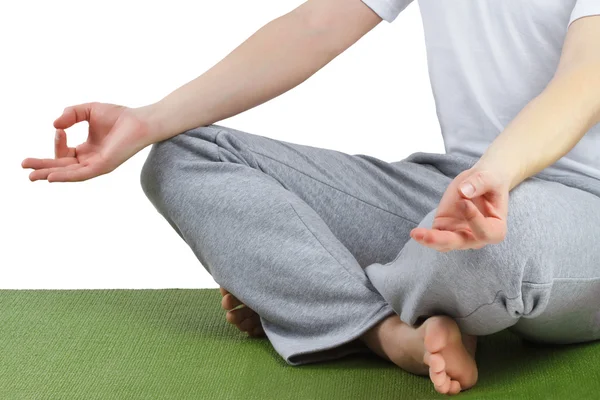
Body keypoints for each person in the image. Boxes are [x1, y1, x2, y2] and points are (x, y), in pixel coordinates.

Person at [22, 0, 600, 395]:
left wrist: (495, 174)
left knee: (500, 247)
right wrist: (147, 121)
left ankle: (308, 291)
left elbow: (586, 74)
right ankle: (384, 332)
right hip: (458, 191)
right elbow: (316, 26)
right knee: (183, 155)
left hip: (576, 207)